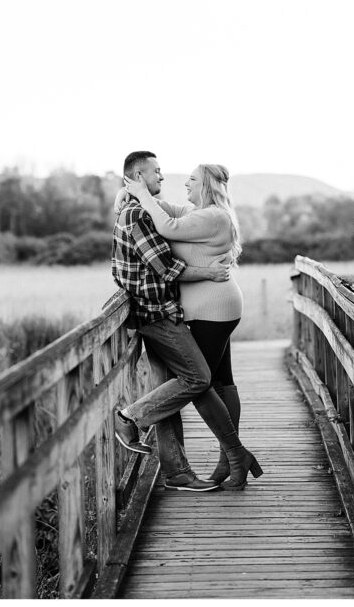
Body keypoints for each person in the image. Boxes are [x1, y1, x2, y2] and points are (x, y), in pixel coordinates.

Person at [111, 151, 261, 491]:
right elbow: (165, 213)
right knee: (219, 380)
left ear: (205, 185)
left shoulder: (212, 217)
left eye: (191, 180)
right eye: (159, 173)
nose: (182, 183)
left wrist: (141, 194)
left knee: (201, 381)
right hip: (205, 308)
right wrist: (129, 193)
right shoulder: (198, 212)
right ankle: (232, 458)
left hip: (213, 309)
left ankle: (233, 455)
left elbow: (167, 225)